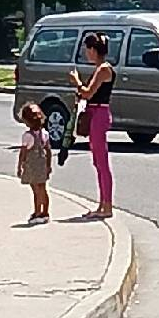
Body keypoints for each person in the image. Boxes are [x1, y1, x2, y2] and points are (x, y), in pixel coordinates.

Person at [69, 33, 115, 220]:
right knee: (97, 161)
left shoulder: (103, 70)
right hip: (95, 113)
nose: (86, 53)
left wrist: (77, 81)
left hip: (100, 114)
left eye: (88, 49)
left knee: (102, 162)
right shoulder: (100, 69)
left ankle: (107, 205)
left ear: (94, 50)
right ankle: (102, 203)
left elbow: (88, 93)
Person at [17, 103, 52, 225]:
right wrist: (48, 165)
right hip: (42, 164)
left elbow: (23, 153)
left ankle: (38, 212)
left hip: (32, 166)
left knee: (35, 190)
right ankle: (45, 212)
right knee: (43, 188)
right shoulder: (45, 134)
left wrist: (20, 166)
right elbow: (48, 150)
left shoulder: (27, 136)